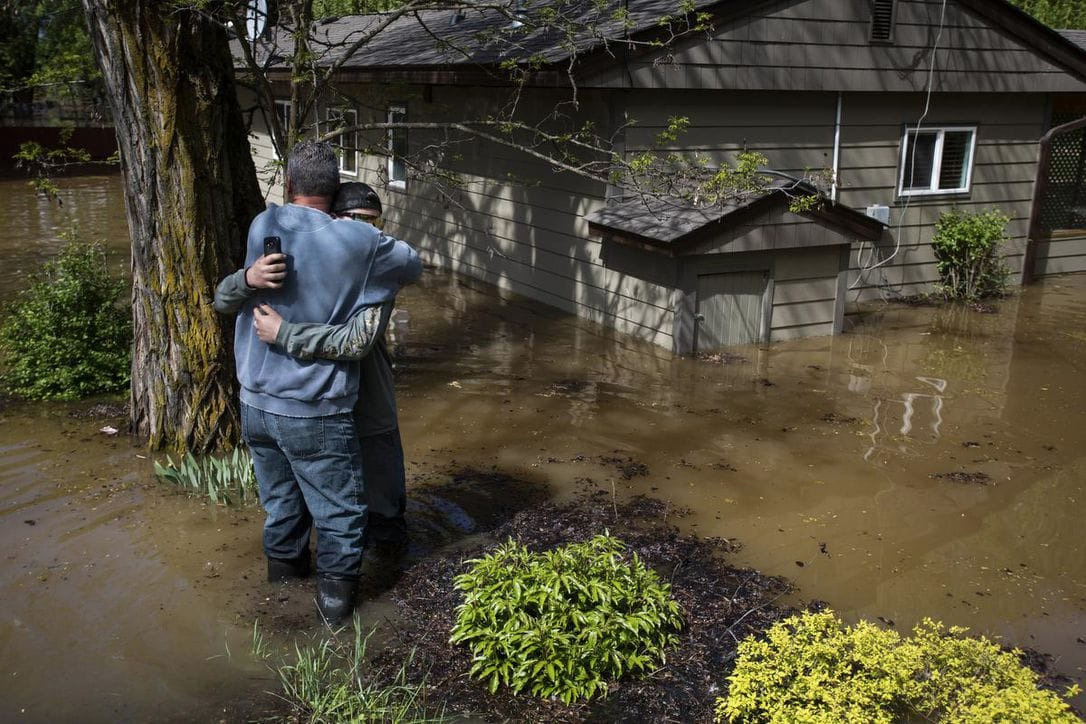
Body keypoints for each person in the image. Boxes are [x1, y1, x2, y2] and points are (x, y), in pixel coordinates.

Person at [213, 142, 421, 625]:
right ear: (338, 203)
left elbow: (226, 299)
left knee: (283, 511)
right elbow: (411, 265)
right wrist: (360, 236)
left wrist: (250, 278)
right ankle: (334, 634)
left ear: (288, 185)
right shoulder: (362, 246)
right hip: (314, 409)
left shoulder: (264, 227)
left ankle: (278, 612)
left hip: (256, 405)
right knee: (342, 518)